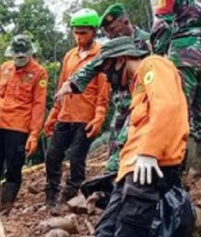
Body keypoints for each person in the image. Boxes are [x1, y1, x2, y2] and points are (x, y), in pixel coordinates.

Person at [54, 37, 189, 237]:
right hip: (132, 168)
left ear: (121, 60)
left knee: (129, 235)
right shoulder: (138, 85)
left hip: (151, 166)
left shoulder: (155, 66)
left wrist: (150, 151)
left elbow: (168, 109)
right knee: (106, 233)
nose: (109, 77)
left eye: (108, 69)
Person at [55, 3, 151, 173]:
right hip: (121, 104)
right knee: (114, 144)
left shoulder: (147, 42)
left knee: (129, 143)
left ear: (126, 22)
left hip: (143, 101)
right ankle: (113, 181)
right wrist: (71, 84)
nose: (111, 34)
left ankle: (119, 180)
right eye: (107, 31)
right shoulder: (112, 46)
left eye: (113, 28)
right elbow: (94, 65)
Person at [44, 9, 111, 207]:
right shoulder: (69, 56)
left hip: (86, 117)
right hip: (65, 115)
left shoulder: (101, 55)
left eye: (83, 33)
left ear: (93, 31)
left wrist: (98, 118)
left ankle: (72, 196)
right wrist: (53, 116)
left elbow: (103, 92)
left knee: (77, 158)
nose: (79, 37)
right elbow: (62, 88)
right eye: (76, 32)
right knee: (53, 155)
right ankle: (51, 195)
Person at [0, 34, 48, 214]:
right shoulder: (5, 68)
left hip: (18, 128)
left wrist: (33, 135)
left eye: (23, 56)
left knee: (14, 168)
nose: (19, 60)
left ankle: (6, 207)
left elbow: (39, 105)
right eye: (16, 56)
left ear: (31, 54)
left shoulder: (39, 73)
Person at [151, 0, 201, 203]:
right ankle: (198, 173)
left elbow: (162, 22)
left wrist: (157, 57)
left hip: (184, 56)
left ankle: (173, 176)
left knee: (177, 114)